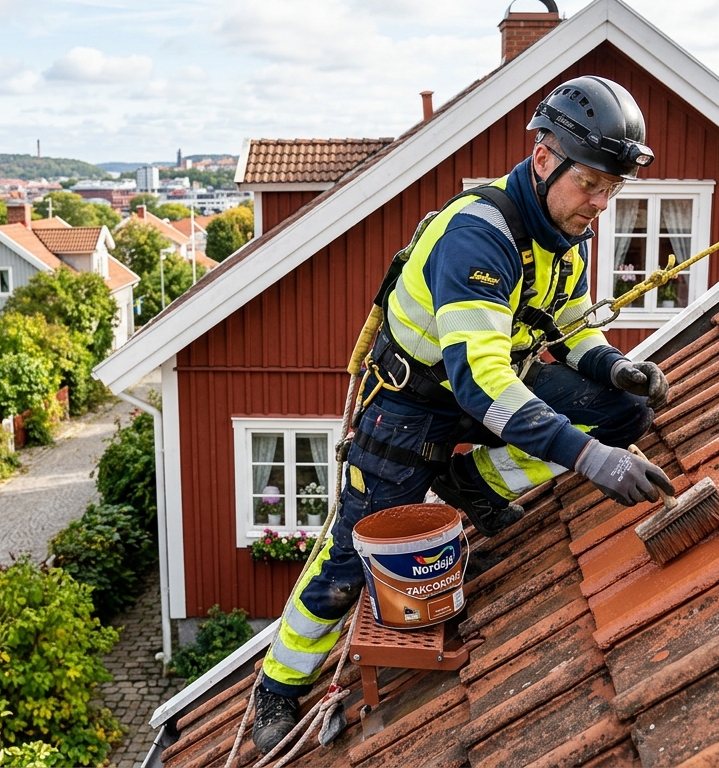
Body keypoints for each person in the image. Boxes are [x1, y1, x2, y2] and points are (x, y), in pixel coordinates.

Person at [251, 75, 674, 753]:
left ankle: (471, 485)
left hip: (489, 383)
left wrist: (612, 366)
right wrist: (590, 461)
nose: (600, 203)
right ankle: (278, 683)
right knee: (351, 560)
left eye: (611, 189)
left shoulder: (565, 229)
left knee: (621, 414)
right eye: (591, 184)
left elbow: (569, 323)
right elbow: (482, 386)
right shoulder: (478, 235)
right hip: (412, 404)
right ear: (544, 159)